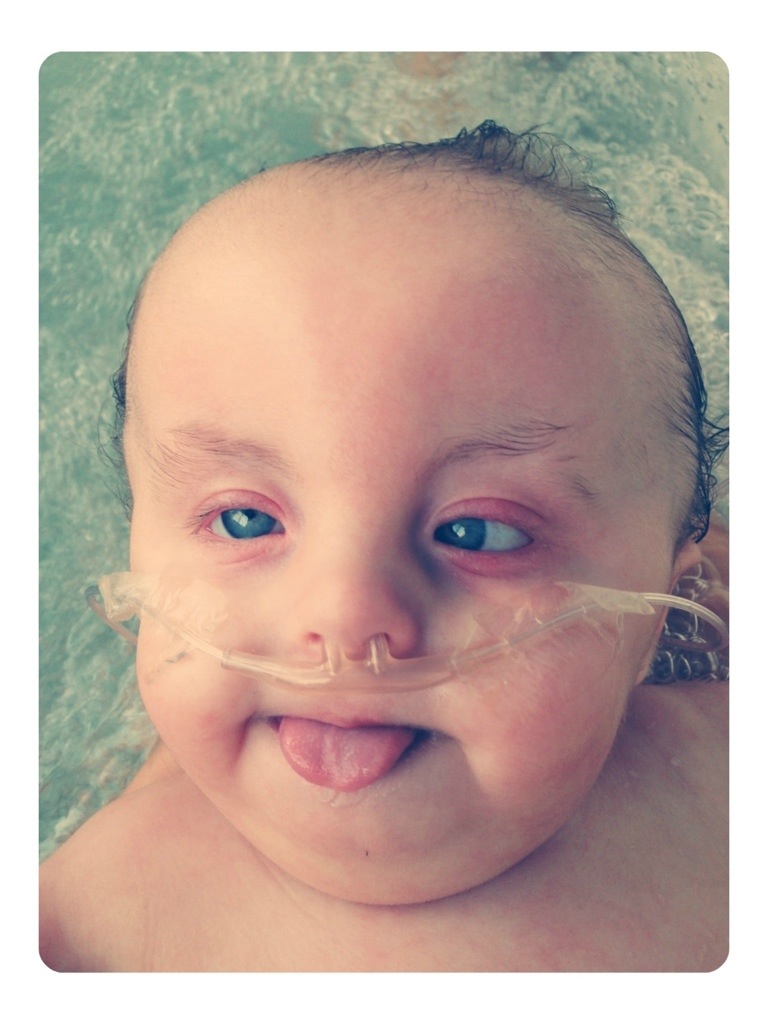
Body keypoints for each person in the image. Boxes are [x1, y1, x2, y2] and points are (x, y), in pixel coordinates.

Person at [39, 122, 728, 972]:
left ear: (664, 610)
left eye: (477, 532)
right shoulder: (90, 923)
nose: (344, 614)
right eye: (245, 521)